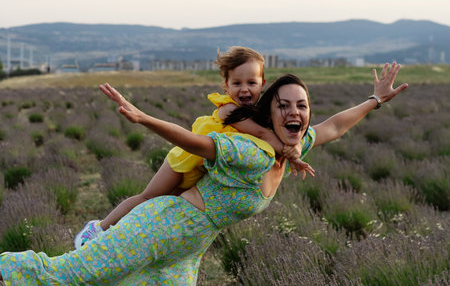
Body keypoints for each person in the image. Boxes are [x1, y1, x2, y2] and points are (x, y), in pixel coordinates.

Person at [0, 62, 407, 284]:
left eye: (301, 105)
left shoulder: (292, 146)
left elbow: (335, 125)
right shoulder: (252, 152)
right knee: (66, 275)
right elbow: (197, 144)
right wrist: (144, 119)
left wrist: (374, 100)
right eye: (283, 105)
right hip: (158, 227)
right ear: (269, 111)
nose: (294, 112)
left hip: (188, 248)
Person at [74, 46, 313, 249]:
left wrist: (295, 147)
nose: (244, 89)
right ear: (226, 86)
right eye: (236, 82)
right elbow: (264, 135)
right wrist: (292, 152)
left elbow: (281, 132)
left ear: (263, 84)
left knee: (163, 208)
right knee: (149, 197)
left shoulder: (259, 112)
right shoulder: (229, 109)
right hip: (185, 159)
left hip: (203, 168)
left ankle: (118, 243)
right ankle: (97, 229)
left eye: (251, 82)